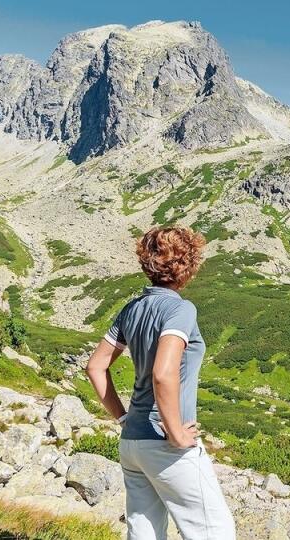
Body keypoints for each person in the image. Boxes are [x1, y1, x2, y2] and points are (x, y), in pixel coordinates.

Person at [86, 226, 236, 540]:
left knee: (144, 533)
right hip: (167, 444)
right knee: (215, 532)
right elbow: (162, 373)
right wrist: (178, 433)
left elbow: (95, 367)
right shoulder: (180, 310)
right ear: (188, 266)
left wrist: (124, 418)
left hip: (132, 444)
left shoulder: (131, 309)